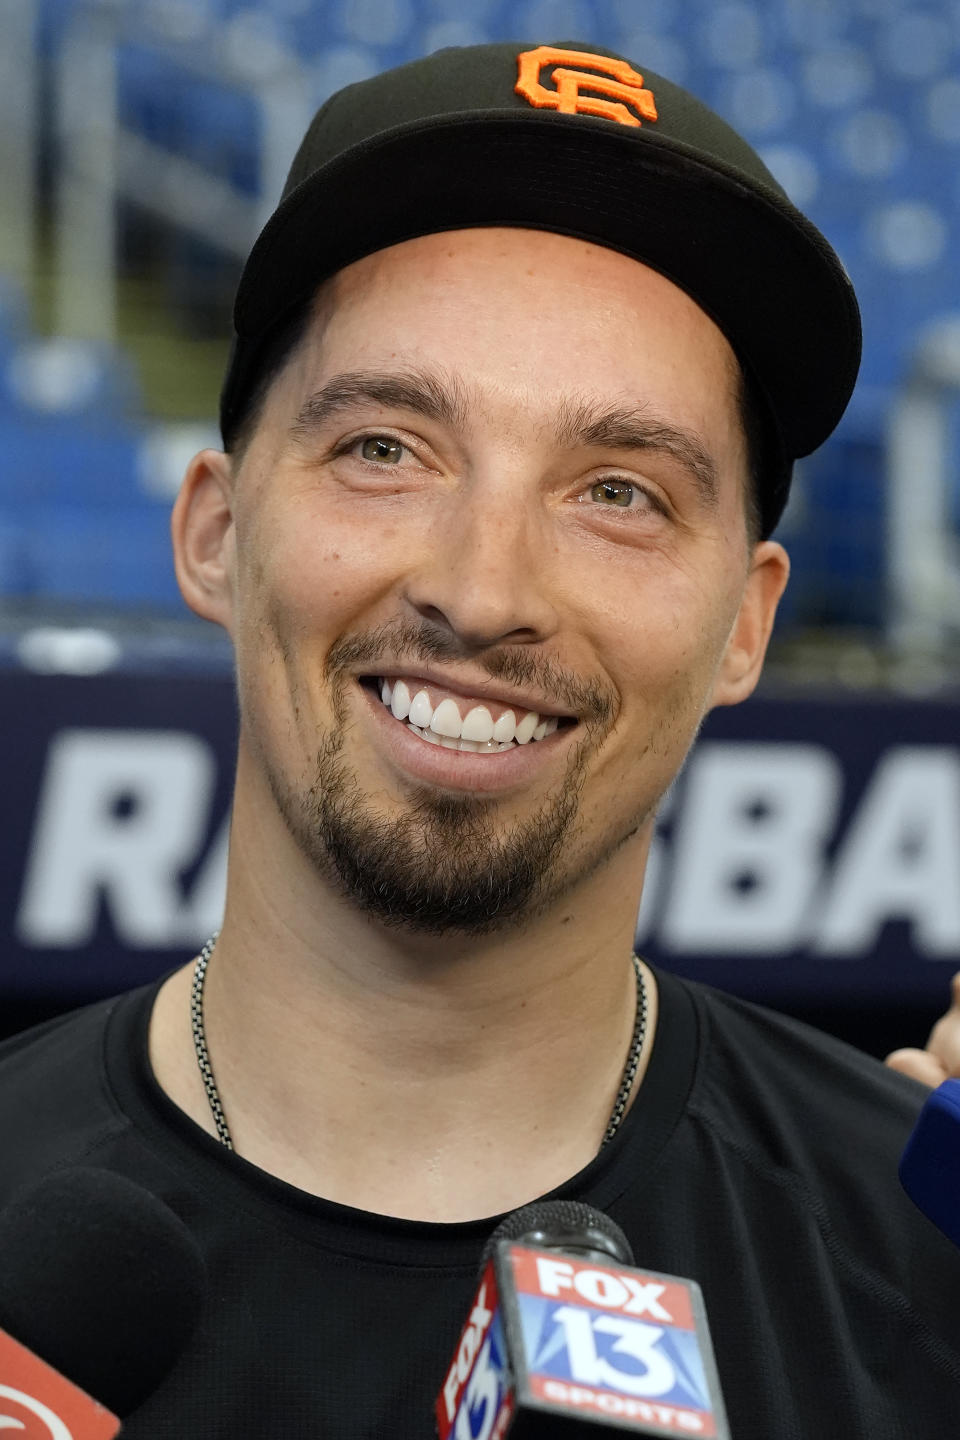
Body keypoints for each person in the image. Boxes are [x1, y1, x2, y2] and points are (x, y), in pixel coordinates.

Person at [1, 40, 958, 1438]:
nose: (483, 589)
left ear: (746, 628)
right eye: (385, 448)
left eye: (618, 490)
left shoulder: (925, 1271)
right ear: (216, 531)